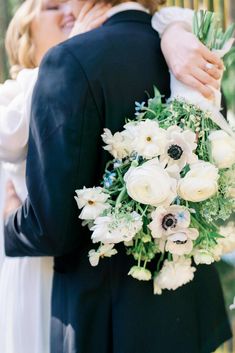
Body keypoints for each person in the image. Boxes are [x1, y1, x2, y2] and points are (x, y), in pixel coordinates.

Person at [3, 1, 231, 352]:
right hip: (193, 314)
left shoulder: (69, 60)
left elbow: (51, 228)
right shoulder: (193, 51)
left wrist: (9, 221)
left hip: (105, 322)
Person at [0, 1, 110, 353]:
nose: (69, 11)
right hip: (33, 262)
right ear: (25, 32)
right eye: (51, 6)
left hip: (88, 269)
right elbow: (10, 139)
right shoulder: (11, 93)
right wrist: (65, 54)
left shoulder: (90, 76)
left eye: (71, 3)